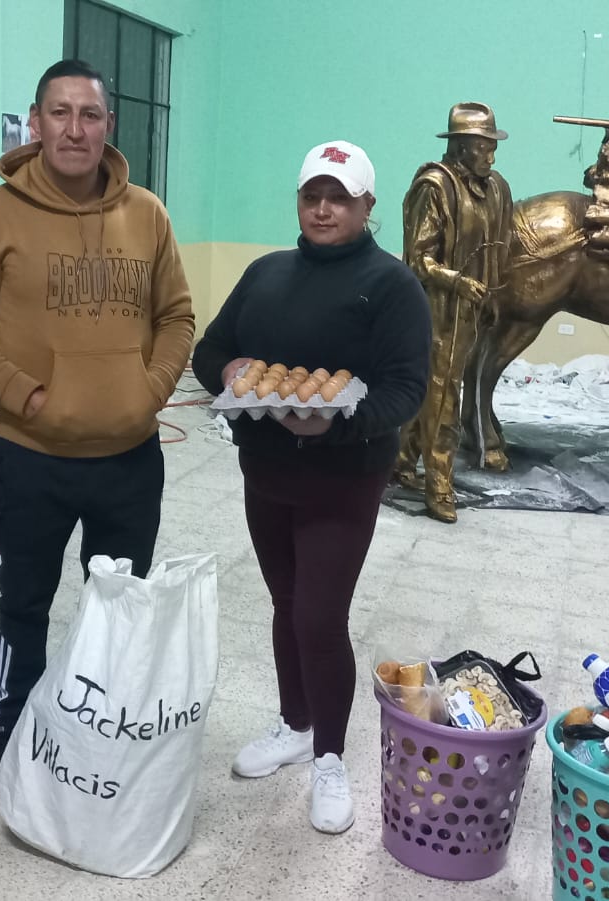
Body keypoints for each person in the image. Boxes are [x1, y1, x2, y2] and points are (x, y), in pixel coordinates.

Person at [0, 59, 195, 806]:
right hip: (31, 456)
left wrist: (148, 389)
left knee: (119, 609)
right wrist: (24, 394)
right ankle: (9, 728)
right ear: (36, 122)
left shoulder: (148, 213)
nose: (75, 129)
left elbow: (177, 315)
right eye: (60, 112)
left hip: (129, 459)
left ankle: (99, 736)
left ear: (108, 125)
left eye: (89, 114)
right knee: (23, 602)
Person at [190, 140, 430, 833]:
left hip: (342, 480)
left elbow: (405, 390)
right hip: (266, 472)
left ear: (367, 204)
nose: (324, 209)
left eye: (339, 198)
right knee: (285, 603)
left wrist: (337, 422)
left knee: (320, 618)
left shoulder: (392, 286)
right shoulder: (266, 274)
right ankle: (295, 725)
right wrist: (228, 370)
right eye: (312, 196)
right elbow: (211, 350)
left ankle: (329, 755)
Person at [392, 102, 514, 522]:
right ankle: (439, 484)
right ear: (461, 146)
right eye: (484, 147)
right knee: (444, 396)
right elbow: (418, 259)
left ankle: (400, 462)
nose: (491, 155)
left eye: (493, 146)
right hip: (436, 307)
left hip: (472, 308)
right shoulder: (434, 187)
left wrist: (492, 297)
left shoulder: (495, 189)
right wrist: (457, 282)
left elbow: (498, 250)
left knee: (432, 388)